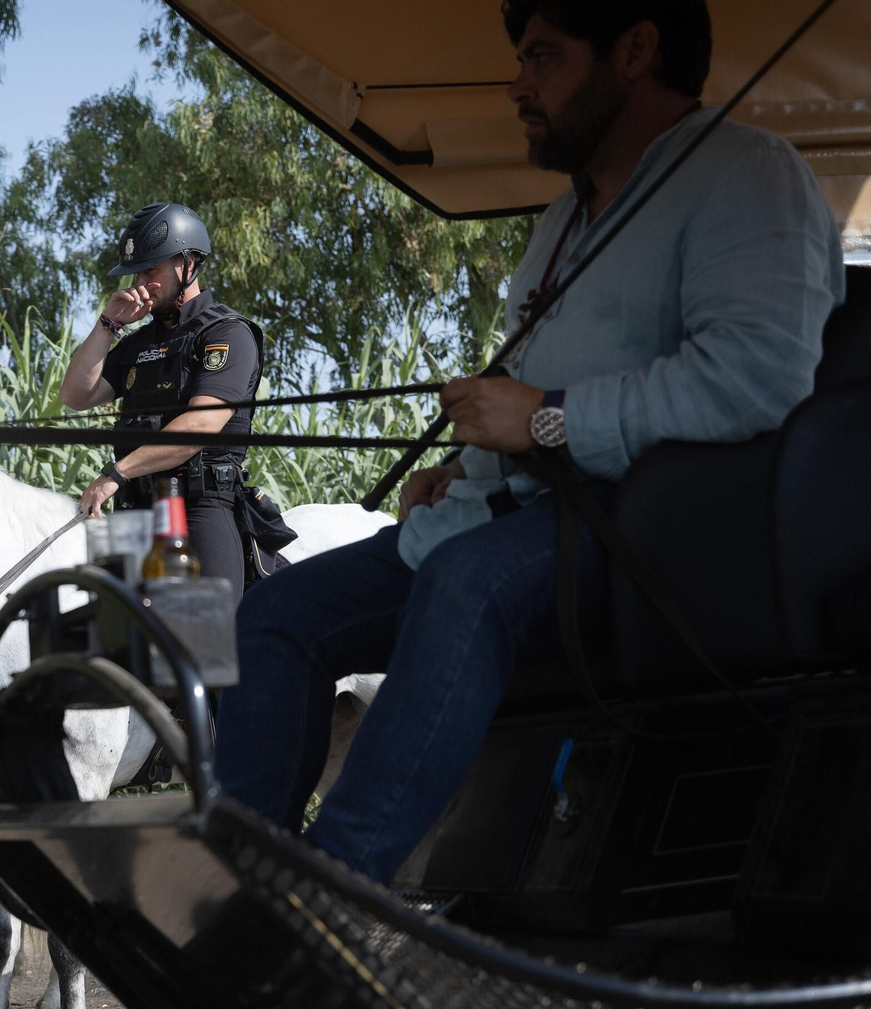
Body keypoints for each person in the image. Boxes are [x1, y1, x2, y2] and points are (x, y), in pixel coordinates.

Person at [215, 0, 844, 882]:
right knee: (277, 615)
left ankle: (328, 895)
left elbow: (756, 378)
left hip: (637, 530)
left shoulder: (747, 174)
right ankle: (241, 885)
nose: (517, 85)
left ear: (635, 49)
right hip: (500, 516)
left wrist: (545, 417)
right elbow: (532, 385)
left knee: (466, 585)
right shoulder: (562, 222)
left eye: (543, 57)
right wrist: (460, 462)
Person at [60, 202, 264, 594]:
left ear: (188, 264)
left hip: (199, 508)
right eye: (136, 272)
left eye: (150, 270)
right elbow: (75, 395)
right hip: (133, 511)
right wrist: (108, 324)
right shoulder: (139, 342)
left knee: (211, 625)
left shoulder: (227, 333)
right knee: (108, 623)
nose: (139, 282)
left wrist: (116, 473)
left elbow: (200, 425)